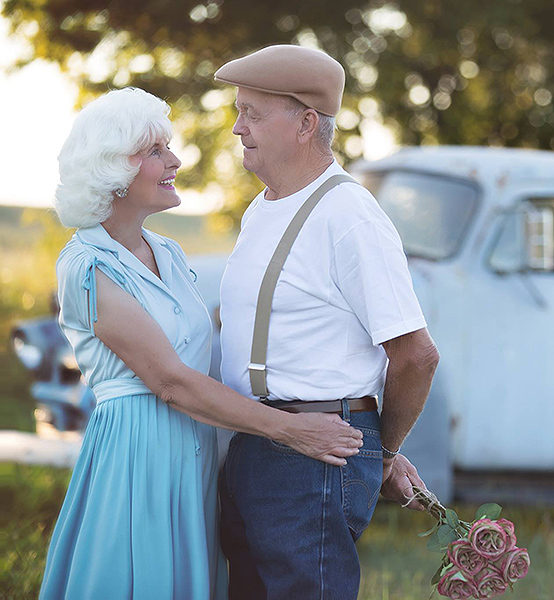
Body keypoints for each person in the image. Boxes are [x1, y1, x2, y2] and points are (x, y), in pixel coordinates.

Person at [39, 87, 364, 599]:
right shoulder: (87, 266)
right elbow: (170, 381)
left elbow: (219, 345)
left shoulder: (167, 251)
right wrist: (293, 431)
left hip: (195, 448)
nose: (175, 160)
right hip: (139, 453)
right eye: (155, 152)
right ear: (112, 172)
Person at [214, 44, 440, 599]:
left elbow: (416, 355)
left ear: (306, 122)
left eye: (253, 114)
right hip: (256, 442)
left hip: (311, 459)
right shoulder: (263, 207)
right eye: (238, 111)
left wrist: (378, 451)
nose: (238, 128)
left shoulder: (349, 215)